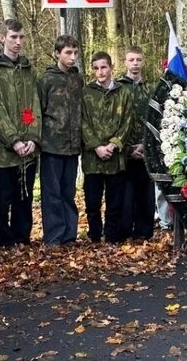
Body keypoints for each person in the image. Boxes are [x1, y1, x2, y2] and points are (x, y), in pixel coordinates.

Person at [0, 20, 41, 247]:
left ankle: (22, 238)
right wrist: (14, 140)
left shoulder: (28, 70)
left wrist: (32, 138)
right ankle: (3, 239)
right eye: (13, 37)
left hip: (27, 148)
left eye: (21, 38)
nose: (18, 42)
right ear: (2, 38)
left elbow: (33, 106)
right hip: (2, 150)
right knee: (1, 198)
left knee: (24, 196)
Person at [81, 52, 134, 243]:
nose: (100, 72)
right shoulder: (86, 92)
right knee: (92, 201)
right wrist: (96, 147)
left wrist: (113, 145)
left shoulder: (123, 92)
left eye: (103, 67)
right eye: (95, 68)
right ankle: (94, 235)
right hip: (92, 158)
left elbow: (127, 121)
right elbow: (83, 122)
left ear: (111, 67)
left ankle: (111, 236)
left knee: (114, 201)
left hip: (114, 157)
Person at [37, 35, 83, 246]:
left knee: (68, 192)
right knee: (52, 193)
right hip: (52, 145)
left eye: (75, 53)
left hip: (73, 146)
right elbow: (40, 111)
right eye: (68, 53)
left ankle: (69, 235)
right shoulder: (46, 80)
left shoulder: (77, 78)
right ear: (57, 53)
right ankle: (54, 236)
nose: (72, 57)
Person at [116, 46, 154, 240]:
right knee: (126, 196)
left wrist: (145, 145)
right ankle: (124, 232)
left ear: (143, 61)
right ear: (125, 62)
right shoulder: (117, 87)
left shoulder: (151, 89)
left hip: (146, 149)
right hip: (124, 151)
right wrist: (128, 147)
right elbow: (113, 121)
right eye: (131, 60)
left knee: (146, 195)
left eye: (138, 59)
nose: (135, 64)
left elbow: (155, 119)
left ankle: (144, 233)